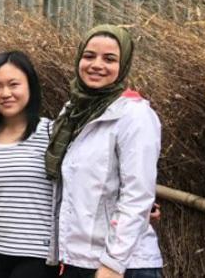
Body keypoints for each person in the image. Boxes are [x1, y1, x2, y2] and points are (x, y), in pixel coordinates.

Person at [45, 25, 163, 278]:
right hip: (79, 259)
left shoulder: (135, 115)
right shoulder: (72, 113)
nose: (97, 65)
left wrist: (112, 264)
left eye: (109, 59)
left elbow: (137, 196)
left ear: (124, 65)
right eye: (89, 56)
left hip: (124, 266)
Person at [0, 51, 59, 278]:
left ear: (30, 86)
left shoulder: (52, 133)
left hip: (38, 254)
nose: (5, 94)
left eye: (14, 84)